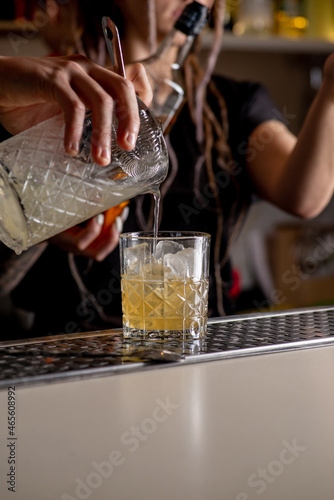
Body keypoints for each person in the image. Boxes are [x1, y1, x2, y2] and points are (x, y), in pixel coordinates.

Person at [2, 0, 334, 338]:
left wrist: (331, 92)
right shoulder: (54, 99)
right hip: (67, 349)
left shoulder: (232, 104)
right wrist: (43, 227)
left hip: (199, 342)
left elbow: (304, 197)